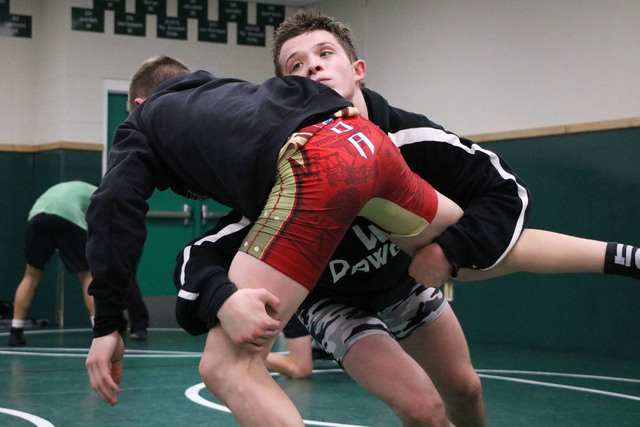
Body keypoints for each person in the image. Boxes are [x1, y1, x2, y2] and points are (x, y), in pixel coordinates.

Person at [177, 11, 640, 426]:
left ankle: (625, 258)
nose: (312, 66)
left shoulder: (411, 137)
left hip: (403, 277)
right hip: (332, 300)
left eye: (324, 53)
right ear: (283, 92)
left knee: (465, 388)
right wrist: (219, 297)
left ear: (357, 70)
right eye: (295, 65)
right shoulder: (281, 167)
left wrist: (449, 251)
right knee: (423, 408)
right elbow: (204, 250)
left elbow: (503, 190)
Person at [84, 56, 464, 426]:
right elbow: (302, 93)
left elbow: (114, 207)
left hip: (315, 166)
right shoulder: (238, 93)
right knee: (468, 243)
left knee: (224, 368)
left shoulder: (144, 120)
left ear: (138, 103)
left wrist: (106, 326)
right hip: (363, 138)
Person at [8, 181, 96, 346]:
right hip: (68, 217)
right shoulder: (98, 192)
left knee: (31, 275)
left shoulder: (68, 188)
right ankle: (100, 330)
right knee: (87, 275)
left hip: (37, 217)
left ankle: (15, 332)